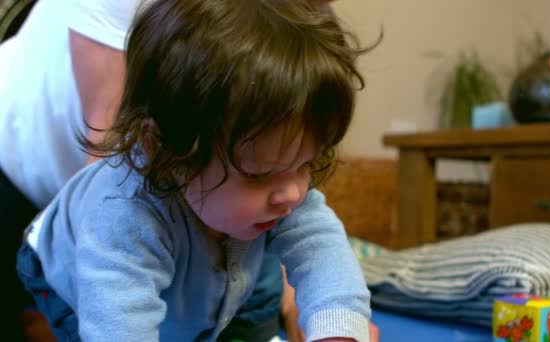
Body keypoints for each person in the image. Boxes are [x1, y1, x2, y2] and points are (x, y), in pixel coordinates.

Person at [15, 0, 374, 340]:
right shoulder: (122, 220)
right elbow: (119, 328)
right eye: (258, 175)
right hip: (68, 276)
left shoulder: (275, 189)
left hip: (216, 232)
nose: (294, 193)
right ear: (165, 151)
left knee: (247, 294)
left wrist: (338, 327)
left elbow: (321, 250)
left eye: (305, 165)